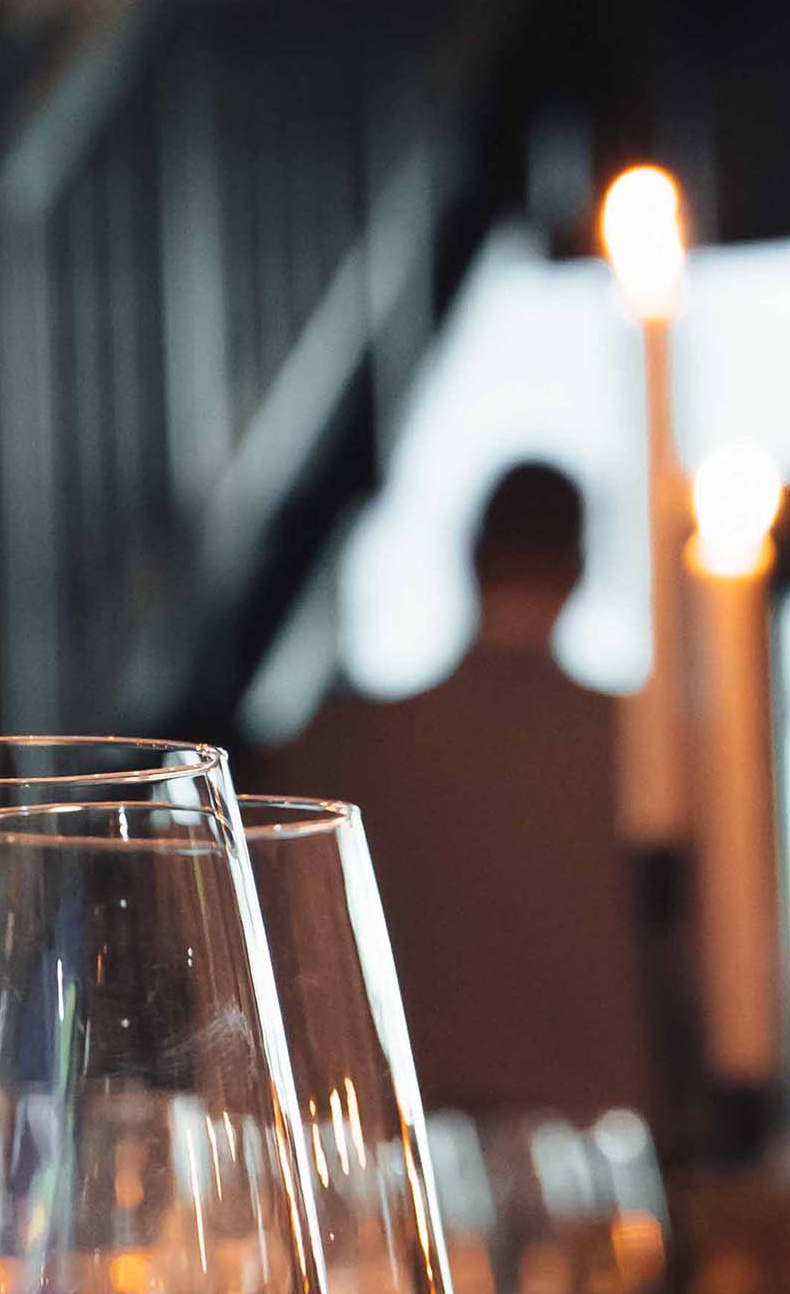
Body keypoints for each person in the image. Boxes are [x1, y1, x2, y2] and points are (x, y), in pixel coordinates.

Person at [267, 459, 652, 1120]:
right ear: (578, 570)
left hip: (407, 1124)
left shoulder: (349, 745)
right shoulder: (639, 746)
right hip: (597, 1134)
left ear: (473, 559)